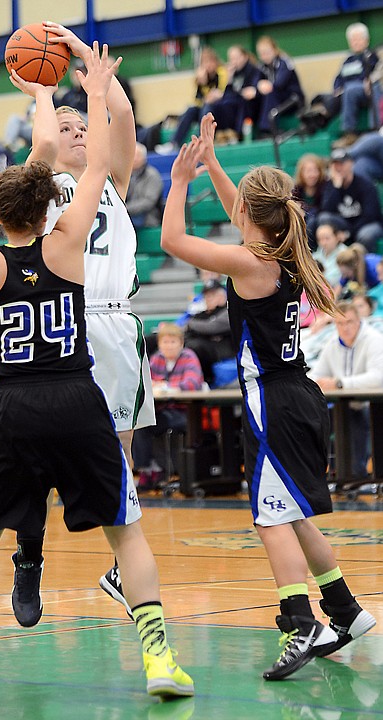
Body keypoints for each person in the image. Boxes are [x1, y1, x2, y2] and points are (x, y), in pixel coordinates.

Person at [0, 48, 193, 713]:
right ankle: (157, 652)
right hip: (75, 379)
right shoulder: (63, 237)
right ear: (44, 205)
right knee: (124, 520)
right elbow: (86, 155)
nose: (72, 136)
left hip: (19, 393)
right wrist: (78, 90)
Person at [155, 112, 375, 680]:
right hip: (298, 392)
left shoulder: (250, 262)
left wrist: (181, 180)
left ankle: (302, 621)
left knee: (270, 520)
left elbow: (171, 240)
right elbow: (242, 212)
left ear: (253, 216)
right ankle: (346, 610)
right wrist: (210, 162)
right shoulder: (286, 253)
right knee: (296, 514)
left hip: (272, 402)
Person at [8, 23, 156, 629]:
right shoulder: (38, 186)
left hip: (116, 325)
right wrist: (43, 90)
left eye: (80, 128)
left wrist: (78, 51)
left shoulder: (112, 181)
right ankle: (29, 555)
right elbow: (42, 143)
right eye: (66, 129)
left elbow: (119, 115)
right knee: (37, 457)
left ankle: (124, 570)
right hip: (59, 322)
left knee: (115, 457)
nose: (74, 134)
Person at [310, 301, 383, 480]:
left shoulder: (374, 340)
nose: (345, 328)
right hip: (341, 406)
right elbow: (316, 373)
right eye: (340, 323)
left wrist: (340, 383)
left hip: (370, 407)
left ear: (359, 321)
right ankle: (324, 475)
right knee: (313, 419)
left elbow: (378, 377)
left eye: (349, 322)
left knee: (355, 416)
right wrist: (313, 383)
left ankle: (356, 476)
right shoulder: (333, 343)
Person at [132, 323, 204, 490]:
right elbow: (146, 383)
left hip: (183, 411)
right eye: (165, 342)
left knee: (151, 423)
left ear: (181, 343)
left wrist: (166, 385)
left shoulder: (189, 357)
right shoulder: (157, 358)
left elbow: (192, 383)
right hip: (161, 409)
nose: (168, 346)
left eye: (172, 342)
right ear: (159, 344)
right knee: (140, 422)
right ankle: (147, 469)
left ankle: (154, 469)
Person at [155, 46, 227, 154]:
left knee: (206, 108)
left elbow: (221, 92)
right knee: (191, 110)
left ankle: (201, 142)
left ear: (215, 61)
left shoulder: (221, 72)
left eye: (210, 62)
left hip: (220, 108)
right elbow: (197, 100)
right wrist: (201, 82)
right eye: (204, 63)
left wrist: (211, 97)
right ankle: (174, 143)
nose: (208, 65)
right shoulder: (203, 77)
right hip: (206, 106)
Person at [318, 147, 383, 252]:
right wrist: (337, 187)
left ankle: (363, 266)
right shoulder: (331, 185)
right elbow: (326, 210)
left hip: (366, 224)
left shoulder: (365, 184)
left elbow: (370, 215)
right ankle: (332, 264)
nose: (339, 167)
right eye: (335, 164)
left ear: (351, 163)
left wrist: (348, 233)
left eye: (342, 163)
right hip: (344, 224)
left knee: (366, 235)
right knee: (323, 218)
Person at [203, 45, 262, 141]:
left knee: (233, 104)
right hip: (235, 100)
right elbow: (228, 93)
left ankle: (238, 135)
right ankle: (219, 135)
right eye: (231, 59)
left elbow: (251, 91)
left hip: (250, 104)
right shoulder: (235, 72)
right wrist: (229, 79)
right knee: (217, 105)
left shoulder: (254, 70)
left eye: (236, 58)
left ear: (244, 57)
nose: (234, 61)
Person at [184, 278, 234, 385]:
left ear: (222, 295)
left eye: (212, 295)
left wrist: (191, 325)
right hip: (203, 344)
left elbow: (212, 327)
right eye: (206, 296)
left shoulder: (229, 311)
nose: (208, 298)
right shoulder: (201, 314)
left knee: (195, 346)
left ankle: (206, 380)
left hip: (221, 349)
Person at [255, 36, 304, 136]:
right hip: (276, 99)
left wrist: (266, 86)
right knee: (254, 96)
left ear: (274, 50)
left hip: (293, 99)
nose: (265, 56)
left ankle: (267, 129)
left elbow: (279, 84)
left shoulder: (284, 62)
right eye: (262, 54)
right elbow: (255, 82)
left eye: (267, 53)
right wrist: (258, 85)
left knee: (271, 93)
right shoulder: (262, 66)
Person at [293, 153, 327, 250]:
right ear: (301, 173)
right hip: (304, 220)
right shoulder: (297, 189)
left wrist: (304, 208)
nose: (312, 175)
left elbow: (325, 207)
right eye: (308, 171)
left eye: (315, 170)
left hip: (319, 221)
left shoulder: (325, 186)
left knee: (312, 222)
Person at [126, 142, 164, 228]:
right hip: (128, 214)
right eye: (132, 155)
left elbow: (148, 202)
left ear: (144, 157)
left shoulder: (152, 175)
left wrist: (125, 208)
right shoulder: (125, 176)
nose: (134, 158)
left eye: (137, 155)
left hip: (147, 217)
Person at [312, 222, 347, 287]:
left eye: (327, 238)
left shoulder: (345, 254)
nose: (323, 243)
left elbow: (335, 279)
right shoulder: (316, 255)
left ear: (336, 237)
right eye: (320, 239)